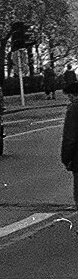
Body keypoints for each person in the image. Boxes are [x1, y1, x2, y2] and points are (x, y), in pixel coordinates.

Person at [62, 77, 78, 210]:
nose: (70, 99)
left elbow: (70, 138)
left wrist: (66, 159)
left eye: (70, 96)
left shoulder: (74, 109)